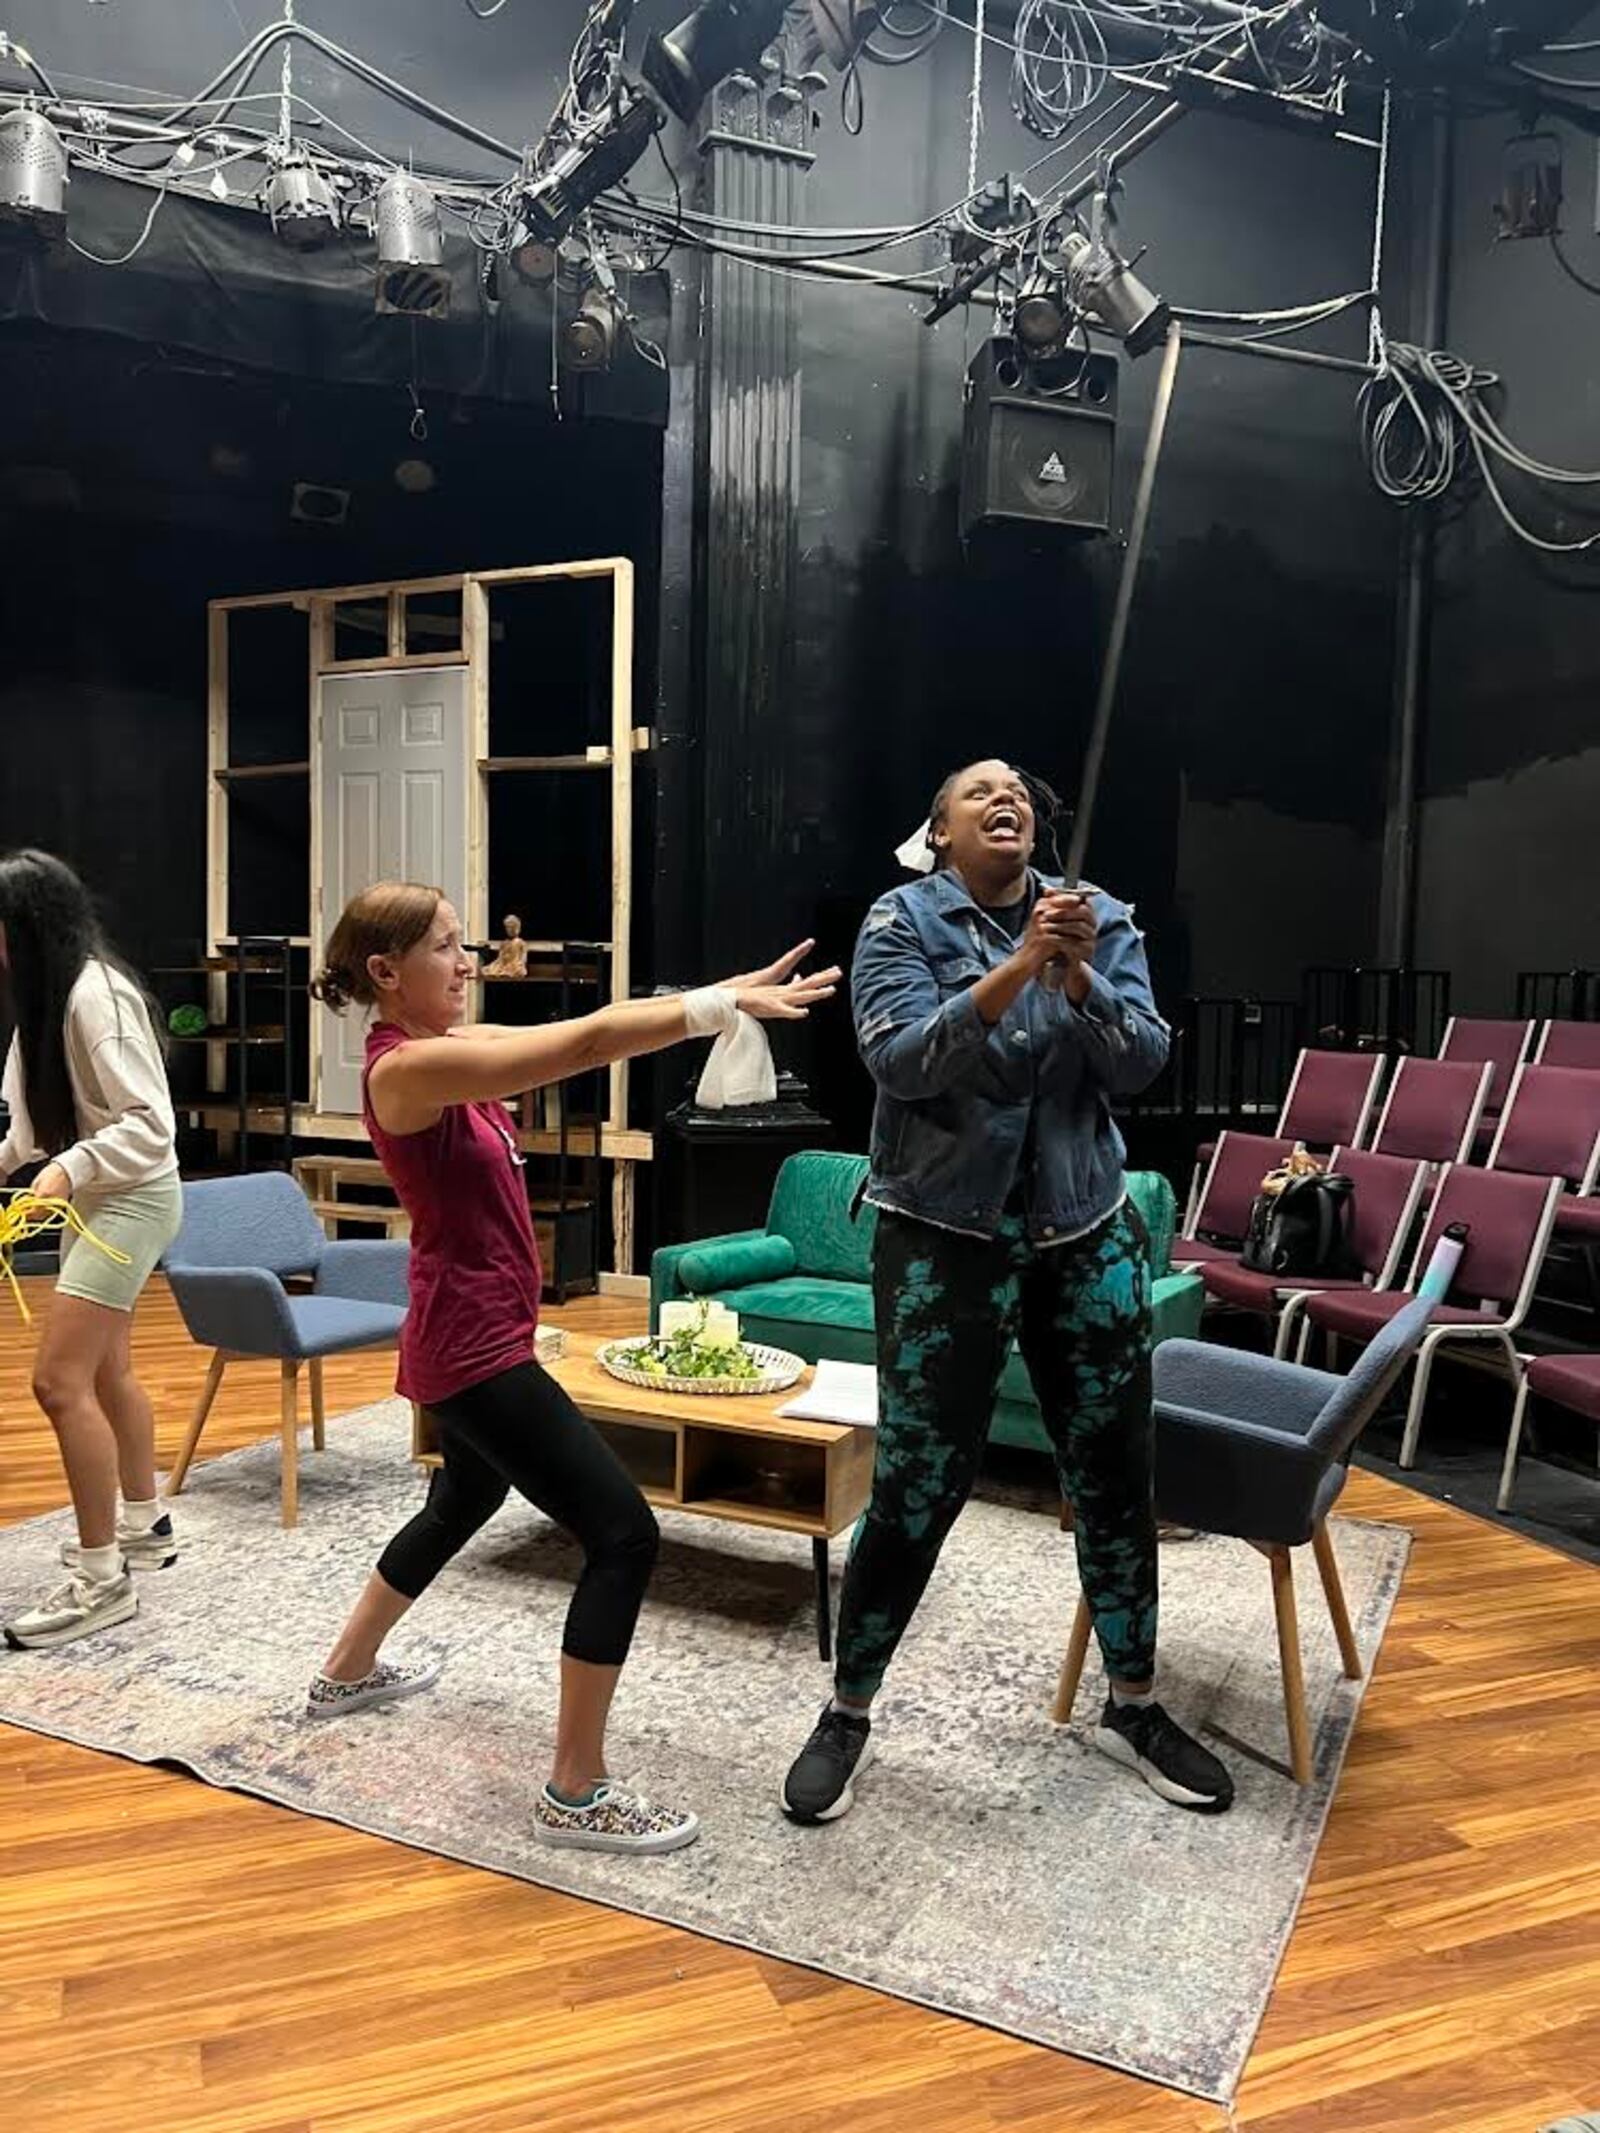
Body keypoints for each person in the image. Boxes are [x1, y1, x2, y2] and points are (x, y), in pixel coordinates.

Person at [307, 882, 839, 1856]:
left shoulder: (443, 1058)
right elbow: (586, 1041)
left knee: (459, 1502)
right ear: (385, 972)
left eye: (466, 946)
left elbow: (576, 1031)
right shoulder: (406, 1072)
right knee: (623, 1534)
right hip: (469, 1350)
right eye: (447, 948)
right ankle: (574, 1789)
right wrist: (712, 1008)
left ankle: (346, 1669)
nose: (466, 963)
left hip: (472, 1336)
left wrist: (716, 994)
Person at [781, 760, 1234, 1823]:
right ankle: (848, 1709)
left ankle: (1134, 1701)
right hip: (942, 1238)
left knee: (1117, 1471)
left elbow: (1142, 1066)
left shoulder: (1099, 921)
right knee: (918, 1481)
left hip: (1087, 1230)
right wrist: (1013, 971)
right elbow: (899, 1061)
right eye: (978, 793)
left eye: (1020, 796)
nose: (1007, 801)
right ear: (937, 833)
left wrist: (1076, 977)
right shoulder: (901, 921)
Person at [0, 850, 183, 1651]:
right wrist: (25, 1163)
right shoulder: (48, 998)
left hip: (136, 1197)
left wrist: (69, 1171)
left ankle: (102, 1578)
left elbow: (152, 1126)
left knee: (57, 1380)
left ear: (29, 924)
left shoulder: (95, 997)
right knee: (107, 1371)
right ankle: (145, 1524)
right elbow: (24, 1128)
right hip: (113, 1197)